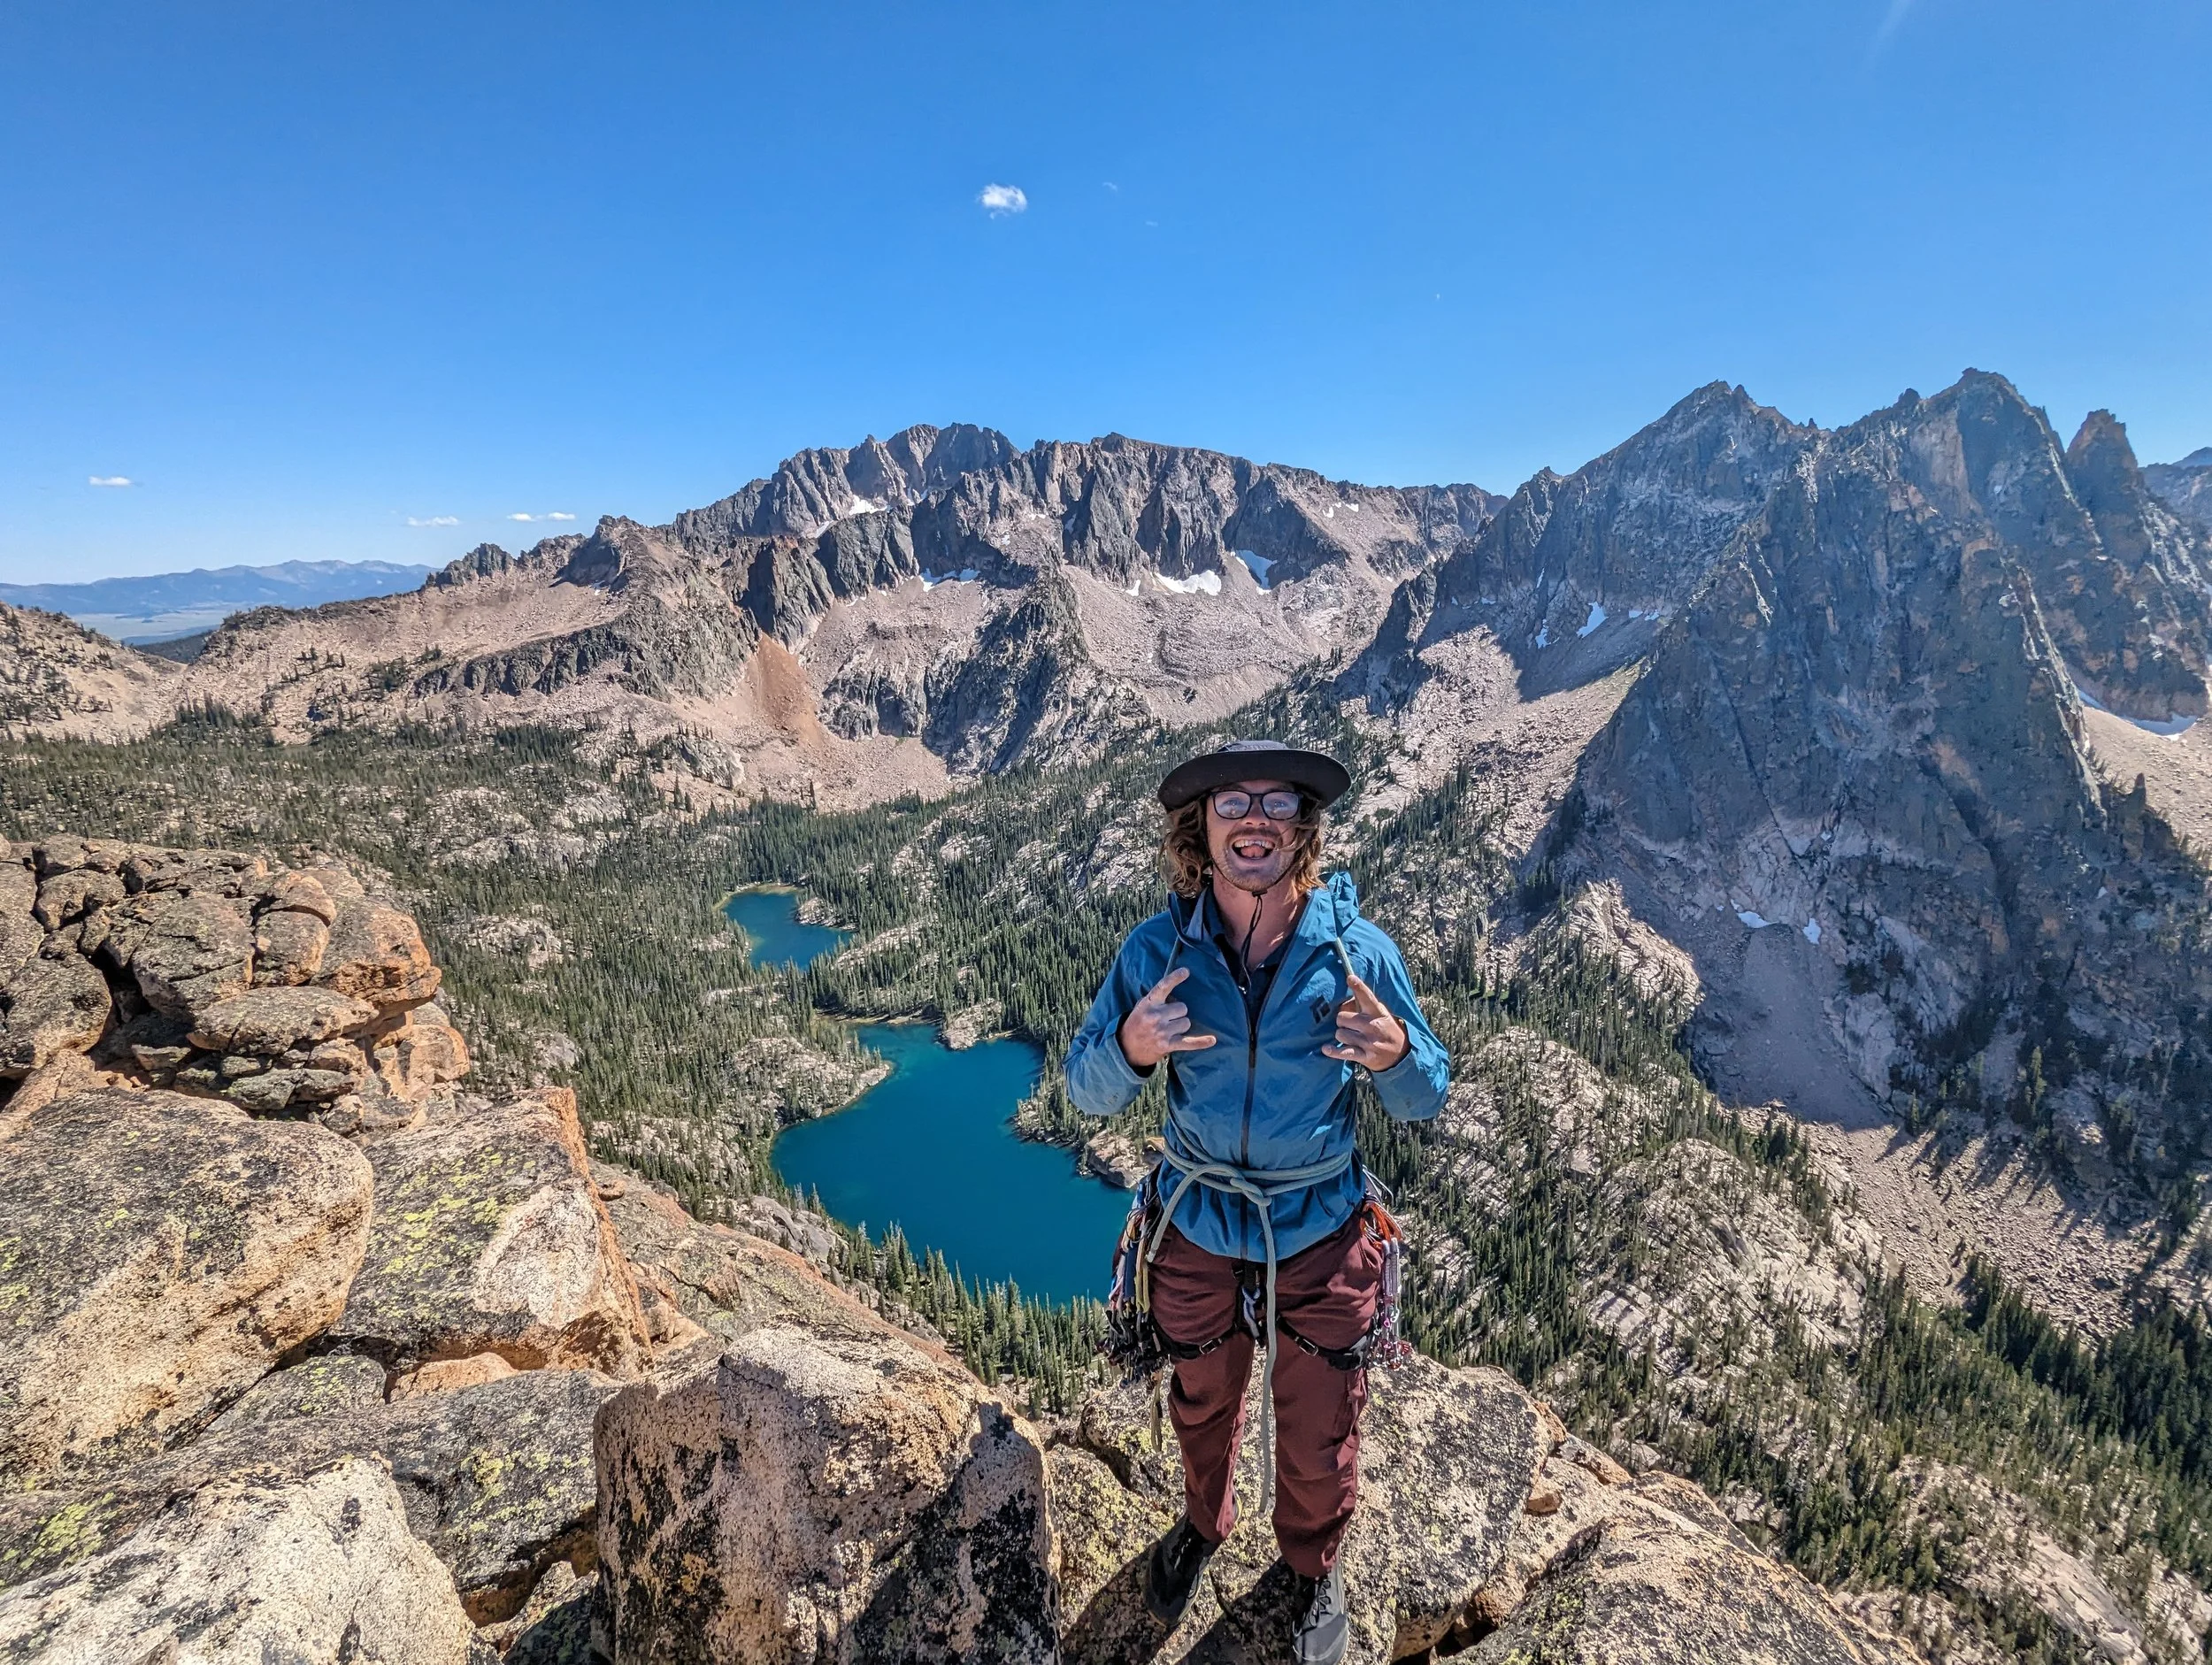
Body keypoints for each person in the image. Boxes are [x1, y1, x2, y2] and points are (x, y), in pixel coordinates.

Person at [1065, 738, 1449, 1665]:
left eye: (1277, 803)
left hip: (1317, 1230)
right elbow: (1086, 1089)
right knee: (1201, 1398)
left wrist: (1395, 1052)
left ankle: (1310, 1568)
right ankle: (1204, 1522)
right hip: (1197, 1223)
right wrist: (1131, 1046)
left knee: (1320, 1422)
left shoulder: (1356, 954)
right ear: (1199, 828)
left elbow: (1427, 1092)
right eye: (1231, 802)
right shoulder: (1157, 950)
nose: (1254, 819)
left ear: (1302, 828)